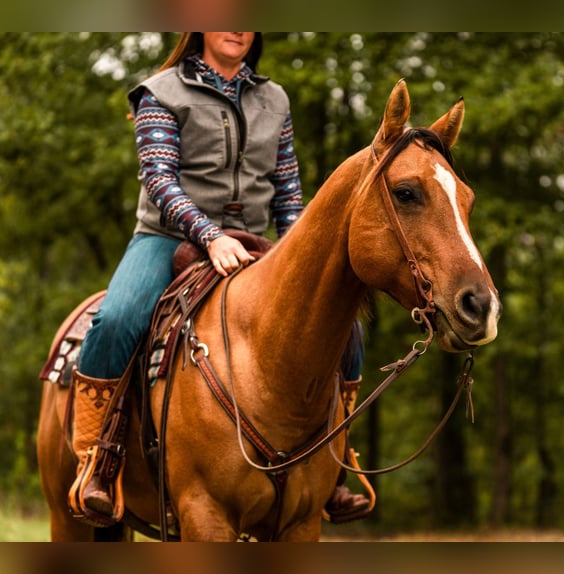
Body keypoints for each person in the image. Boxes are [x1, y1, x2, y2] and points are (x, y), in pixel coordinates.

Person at [69, 32, 370, 526]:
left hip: (256, 243)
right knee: (117, 319)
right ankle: (98, 461)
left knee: (347, 329)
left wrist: (306, 262)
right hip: (167, 238)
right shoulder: (160, 92)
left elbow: (288, 194)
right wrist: (210, 236)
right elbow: (160, 180)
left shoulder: (275, 98)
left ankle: (335, 466)